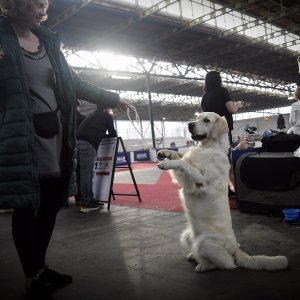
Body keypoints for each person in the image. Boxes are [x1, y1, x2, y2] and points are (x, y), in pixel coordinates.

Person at [0, 1, 130, 299]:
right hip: (22, 138)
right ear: (15, 5)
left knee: (50, 205)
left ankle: (39, 269)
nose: (41, 10)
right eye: (34, 4)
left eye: (43, 5)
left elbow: (76, 83)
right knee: (25, 206)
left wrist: (113, 97)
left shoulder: (48, 43)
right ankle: (32, 274)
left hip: (57, 137)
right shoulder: (1, 39)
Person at [76, 105, 117, 213]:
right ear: (107, 108)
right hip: (87, 145)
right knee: (87, 173)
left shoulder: (93, 115)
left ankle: (88, 199)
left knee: (83, 173)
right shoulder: (106, 116)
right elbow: (113, 133)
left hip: (78, 143)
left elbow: (95, 131)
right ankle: (86, 202)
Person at [200, 71, 243, 145]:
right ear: (218, 79)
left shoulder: (205, 96)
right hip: (222, 127)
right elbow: (232, 109)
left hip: (210, 129)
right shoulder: (222, 91)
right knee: (225, 150)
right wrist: (238, 105)